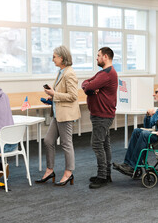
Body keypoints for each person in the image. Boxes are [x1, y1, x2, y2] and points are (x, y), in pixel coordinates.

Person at [113, 85, 158, 177]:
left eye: (156, 92)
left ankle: (133, 166)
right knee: (137, 131)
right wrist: (148, 115)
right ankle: (128, 163)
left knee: (144, 134)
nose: (154, 94)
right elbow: (148, 126)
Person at [35, 46, 80, 186]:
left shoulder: (69, 73)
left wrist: (54, 94)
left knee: (66, 144)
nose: (53, 59)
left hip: (66, 114)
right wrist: (52, 98)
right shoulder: (61, 72)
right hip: (57, 113)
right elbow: (62, 94)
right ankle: (50, 170)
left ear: (62, 58)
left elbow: (73, 96)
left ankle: (69, 172)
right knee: (48, 141)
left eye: (54, 56)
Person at [82, 47, 118, 189]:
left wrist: (89, 87)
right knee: (104, 144)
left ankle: (102, 176)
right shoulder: (103, 73)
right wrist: (89, 87)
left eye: (98, 55)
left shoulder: (107, 74)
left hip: (102, 115)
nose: (96, 58)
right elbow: (86, 83)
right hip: (101, 114)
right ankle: (106, 174)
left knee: (97, 144)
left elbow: (88, 86)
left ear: (105, 57)